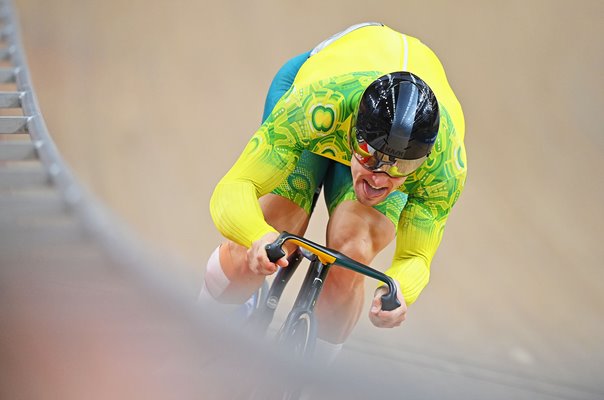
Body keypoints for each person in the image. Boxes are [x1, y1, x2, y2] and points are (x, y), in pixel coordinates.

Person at [200, 22, 467, 361]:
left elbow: (415, 258)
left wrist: (400, 292)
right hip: (320, 116)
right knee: (277, 223)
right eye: (370, 158)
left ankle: (313, 380)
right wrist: (255, 236)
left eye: (402, 169)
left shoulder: (444, 165)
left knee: (353, 253)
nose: (380, 178)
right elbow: (235, 186)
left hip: (352, 130)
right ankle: (193, 340)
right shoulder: (315, 106)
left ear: (423, 160)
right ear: (354, 131)